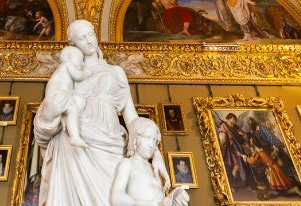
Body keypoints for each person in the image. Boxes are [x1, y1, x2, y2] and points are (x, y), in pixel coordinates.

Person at [34, 19, 168, 205]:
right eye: (82, 38)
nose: (90, 40)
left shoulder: (116, 71)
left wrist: (156, 154)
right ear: (73, 43)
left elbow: (132, 119)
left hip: (111, 142)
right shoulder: (68, 71)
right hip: (76, 147)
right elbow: (51, 108)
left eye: (91, 34)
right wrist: (51, 112)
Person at [110, 117, 189, 206]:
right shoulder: (128, 164)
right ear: (136, 138)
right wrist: (147, 204)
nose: (151, 145)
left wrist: (172, 200)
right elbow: (116, 198)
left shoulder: (153, 168)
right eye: (147, 138)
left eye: (154, 140)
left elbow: (158, 199)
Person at [37, 45, 90, 148]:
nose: (82, 63)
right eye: (80, 60)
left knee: (71, 110)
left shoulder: (61, 71)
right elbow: (78, 76)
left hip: (55, 96)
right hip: (59, 94)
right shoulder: (68, 64)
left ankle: (66, 124)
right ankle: (74, 137)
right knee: (72, 110)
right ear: (70, 57)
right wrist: (87, 72)